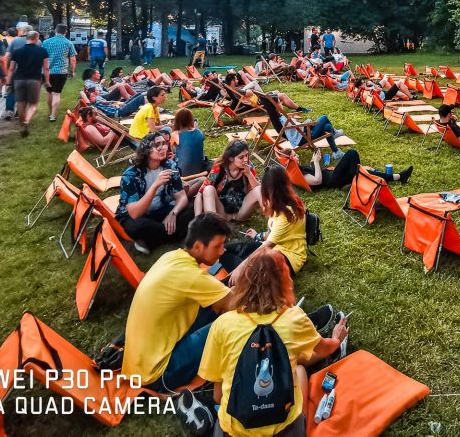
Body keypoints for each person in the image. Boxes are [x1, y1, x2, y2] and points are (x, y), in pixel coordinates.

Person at [199, 249, 348, 437]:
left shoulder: (223, 324)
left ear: (243, 282)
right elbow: (325, 348)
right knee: (299, 370)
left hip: (233, 431)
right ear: (285, 281)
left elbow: (217, 396)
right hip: (285, 430)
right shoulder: (294, 318)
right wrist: (336, 338)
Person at [122, 212, 236, 392]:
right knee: (231, 323)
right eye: (218, 246)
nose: (222, 251)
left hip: (139, 365)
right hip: (159, 375)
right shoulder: (191, 276)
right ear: (198, 246)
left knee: (213, 305)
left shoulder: (170, 257)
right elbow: (235, 305)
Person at [116, 133, 193, 252]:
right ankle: (174, 234)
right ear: (146, 150)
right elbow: (134, 213)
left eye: (164, 144)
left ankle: (151, 240)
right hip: (137, 216)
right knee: (139, 227)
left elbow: (181, 197)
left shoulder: (170, 166)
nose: (163, 148)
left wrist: (172, 214)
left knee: (191, 211)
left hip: (161, 210)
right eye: (157, 145)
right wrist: (155, 185)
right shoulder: (131, 175)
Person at [228, 166, 308, 275]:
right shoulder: (281, 203)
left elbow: (267, 245)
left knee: (248, 269)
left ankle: (229, 277)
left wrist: (240, 269)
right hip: (274, 249)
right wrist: (258, 236)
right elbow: (277, 234)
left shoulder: (287, 214)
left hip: (288, 257)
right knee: (228, 249)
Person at [290, 147, 411, 191]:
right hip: (332, 180)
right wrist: (316, 162)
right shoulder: (298, 172)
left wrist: (313, 164)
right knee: (352, 153)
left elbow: (314, 176)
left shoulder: (295, 170)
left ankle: (399, 177)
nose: (298, 156)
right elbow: (317, 181)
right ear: (290, 159)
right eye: (295, 155)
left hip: (332, 175)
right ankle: (357, 177)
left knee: (360, 172)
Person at [196, 140, 261, 222]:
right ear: (231, 158)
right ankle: (213, 223)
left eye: (247, 155)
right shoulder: (219, 167)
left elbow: (258, 190)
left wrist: (249, 174)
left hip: (241, 211)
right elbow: (200, 193)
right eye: (241, 157)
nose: (245, 159)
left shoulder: (249, 166)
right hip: (221, 211)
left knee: (259, 189)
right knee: (208, 189)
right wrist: (197, 218)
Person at [8, 30, 49, 136]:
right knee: (33, 104)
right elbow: (46, 68)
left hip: (19, 79)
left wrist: (8, 81)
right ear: (37, 38)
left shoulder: (17, 51)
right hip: (34, 79)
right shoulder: (42, 51)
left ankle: (22, 121)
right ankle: (27, 121)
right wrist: (47, 81)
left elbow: (11, 68)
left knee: (20, 102)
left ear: (27, 38)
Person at [41, 24, 78, 123]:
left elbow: (41, 56)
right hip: (61, 72)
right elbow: (73, 59)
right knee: (56, 94)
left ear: (55, 31)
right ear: (66, 32)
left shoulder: (46, 42)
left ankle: (50, 112)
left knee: (49, 92)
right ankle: (53, 115)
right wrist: (72, 71)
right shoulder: (68, 43)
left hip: (47, 71)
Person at [172, 107, 207, 177]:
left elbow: (171, 151)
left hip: (182, 172)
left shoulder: (175, 134)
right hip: (200, 169)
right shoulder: (199, 132)